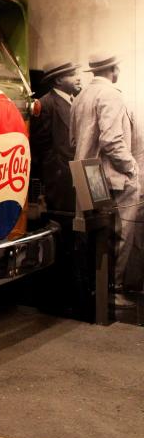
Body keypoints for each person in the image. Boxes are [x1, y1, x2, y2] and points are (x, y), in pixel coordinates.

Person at [70, 54, 140, 308]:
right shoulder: (111, 95)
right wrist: (131, 167)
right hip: (113, 177)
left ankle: (96, 291)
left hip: (87, 175)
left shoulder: (80, 97)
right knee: (121, 233)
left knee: (96, 234)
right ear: (113, 69)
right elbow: (112, 140)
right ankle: (115, 291)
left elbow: (73, 142)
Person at [31, 62, 81, 213]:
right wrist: (53, 175)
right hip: (59, 178)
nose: (78, 78)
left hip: (75, 173)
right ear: (58, 81)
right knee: (63, 220)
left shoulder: (75, 101)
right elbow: (40, 145)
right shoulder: (45, 104)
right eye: (72, 75)